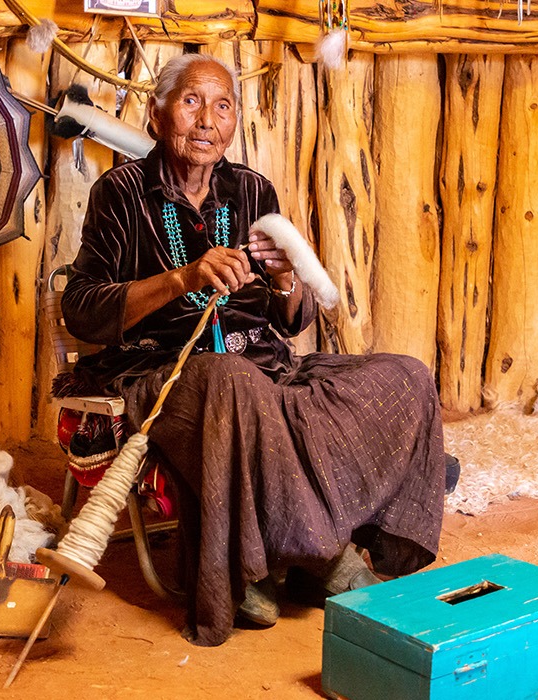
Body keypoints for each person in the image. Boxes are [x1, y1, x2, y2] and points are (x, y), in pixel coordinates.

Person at [60, 53, 447, 647]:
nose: (207, 120)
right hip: (165, 375)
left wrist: (287, 281)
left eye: (222, 106)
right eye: (191, 102)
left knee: (405, 377)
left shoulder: (250, 189)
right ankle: (318, 557)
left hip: (264, 365)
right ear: (157, 114)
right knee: (231, 382)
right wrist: (182, 279)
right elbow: (82, 310)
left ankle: (280, 557)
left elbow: (287, 323)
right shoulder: (121, 193)